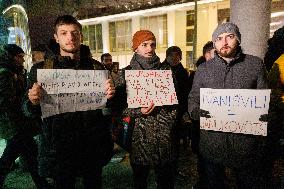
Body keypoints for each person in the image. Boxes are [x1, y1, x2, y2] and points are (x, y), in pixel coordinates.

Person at [23, 15, 115, 189]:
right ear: (56, 38)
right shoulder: (41, 70)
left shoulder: (97, 68)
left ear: (81, 36)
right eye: (64, 33)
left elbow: (108, 110)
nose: (70, 37)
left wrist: (110, 97)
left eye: (74, 33)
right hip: (59, 151)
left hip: (92, 148)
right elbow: (27, 111)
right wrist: (32, 101)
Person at [188, 22, 269, 188]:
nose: (224, 42)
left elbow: (265, 100)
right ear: (214, 43)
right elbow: (193, 98)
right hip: (212, 143)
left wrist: (264, 115)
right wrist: (197, 112)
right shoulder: (203, 69)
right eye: (219, 39)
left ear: (238, 39)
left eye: (229, 37)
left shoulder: (255, 65)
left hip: (245, 145)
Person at [116, 30, 178, 189]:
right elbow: (118, 107)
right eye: (144, 44)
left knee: (165, 181)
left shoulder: (166, 70)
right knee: (140, 180)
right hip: (139, 139)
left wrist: (169, 121)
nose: (149, 48)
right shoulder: (126, 73)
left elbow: (176, 102)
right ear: (135, 48)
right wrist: (138, 111)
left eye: (152, 44)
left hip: (164, 138)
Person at [0, 44, 49, 189]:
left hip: (20, 123)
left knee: (28, 154)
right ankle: (42, 184)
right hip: (14, 124)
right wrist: (24, 99)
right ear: (10, 57)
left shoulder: (14, 71)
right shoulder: (4, 73)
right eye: (19, 57)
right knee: (16, 156)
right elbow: (4, 102)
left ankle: (42, 184)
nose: (22, 60)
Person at [162, 46, 190, 153]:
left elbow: (186, 92)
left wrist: (184, 110)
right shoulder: (161, 69)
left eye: (177, 55)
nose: (174, 58)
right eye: (171, 55)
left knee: (176, 135)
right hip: (164, 110)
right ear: (167, 56)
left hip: (179, 109)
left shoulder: (182, 72)